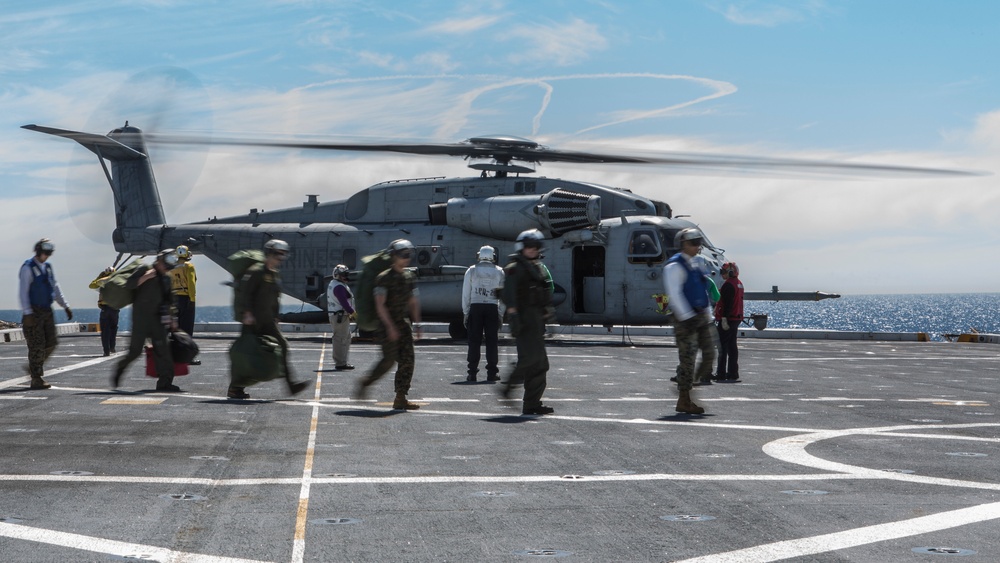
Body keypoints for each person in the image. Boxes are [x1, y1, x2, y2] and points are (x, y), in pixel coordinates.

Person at [228, 239, 310, 400]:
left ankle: (291, 384)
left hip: (268, 321)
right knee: (248, 352)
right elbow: (246, 293)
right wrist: (247, 313)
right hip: (253, 321)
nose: (281, 258)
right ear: (270, 253)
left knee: (283, 346)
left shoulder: (273, 273)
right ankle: (235, 387)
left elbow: (274, 297)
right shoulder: (256, 271)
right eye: (279, 254)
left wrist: (276, 315)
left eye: (283, 254)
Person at [354, 239, 423, 410]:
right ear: (393, 256)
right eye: (402, 255)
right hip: (386, 325)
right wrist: (390, 326)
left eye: (409, 255)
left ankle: (400, 397)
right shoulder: (383, 278)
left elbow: (413, 302)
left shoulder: (409, 277)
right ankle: (366, 382)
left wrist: (418, 324)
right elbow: (380, 304)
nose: (406, 258)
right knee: (388, 361)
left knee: (408, 360)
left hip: (403, 323)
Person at [664, 228, 718, 414]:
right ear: (683, 244)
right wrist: (688, 318)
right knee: (688, 360)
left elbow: (701, 292)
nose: (697, 246)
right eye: (694, 243)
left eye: (698, 243)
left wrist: (708, 315)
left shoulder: (695, 265)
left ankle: (686, 386)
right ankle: (684, 398)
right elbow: (675, 295)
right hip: (685, 320)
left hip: (701, 316)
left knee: (710, 355)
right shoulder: (673, 266)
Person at [500, 229, 555, 415]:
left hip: (536, 320)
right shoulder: (515, 268)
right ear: (522, 247)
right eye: (529, 246)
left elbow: (543, 293)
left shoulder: (537, 267)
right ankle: (508, 387)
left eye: (536, 247)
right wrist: (514, 319)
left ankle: (532, 404)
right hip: (523, 321)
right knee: (529, 359)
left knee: (541, 364)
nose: (532, 250)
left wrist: (548, 315)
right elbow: (510, 296)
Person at [111, 249, 181, 392]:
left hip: (157, 320)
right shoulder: (144, 269)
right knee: (135, 352)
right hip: (141, 319)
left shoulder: (167, 278)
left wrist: (172, 319)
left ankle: (165, 383)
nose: (166, 269)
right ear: (159, 261)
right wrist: (145, 277)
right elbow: (129, 284)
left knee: (164, 351)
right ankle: (120, 368)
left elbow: (169, 301)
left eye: (168, 267)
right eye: (165, 265)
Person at [19, 239, 72, 390]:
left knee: (51, 343)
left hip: (47, 311)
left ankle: (33, 368)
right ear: (38, 250)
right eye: (45, 250)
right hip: (34, 312)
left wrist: (65, 305)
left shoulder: (47, 268)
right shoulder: (28, 267)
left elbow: (55, 287)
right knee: (37, 345)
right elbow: (23, 292)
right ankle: (36, 378)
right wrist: (28, 313)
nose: (47, 254)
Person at [462, 246, 505, 382]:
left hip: (475, 307)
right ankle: (492, 373)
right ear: (493, 256)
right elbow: (502, 296)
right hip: (492, 308)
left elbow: (466, 294)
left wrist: (466, 312)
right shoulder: (499, 272)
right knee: (492, 341)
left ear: (479, 255)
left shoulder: (471, 270)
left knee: (474, 341)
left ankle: (472, 373)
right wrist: (500, 314)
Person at [714, 261, 744, 382]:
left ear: (731, 272)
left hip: (728, 319)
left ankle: (721, 373)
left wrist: (724, 319)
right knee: (732, 346)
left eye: (723, 272)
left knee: (722, 347)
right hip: (736, 318)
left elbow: (727, 304)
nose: (722, 274)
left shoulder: (728, 285)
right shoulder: (739, 284)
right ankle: (733, 372)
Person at [170, 245, 199, 364]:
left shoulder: (172, 267)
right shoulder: (189, 266)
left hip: (174, 299)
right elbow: (191, 284)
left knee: (176, 328)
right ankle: (187, 357)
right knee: (187, 329)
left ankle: (174, 355)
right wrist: (192, 299)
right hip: (186, 298)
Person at [327, 264, 356, 370]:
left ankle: (342, 361)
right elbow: (343, 301)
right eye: (343, 275)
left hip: (340, 315)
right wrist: (352, 312)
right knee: (340, 338)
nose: (345, 277)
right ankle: (340, 363)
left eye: (346, 274)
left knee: (346, 337)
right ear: (337, 275)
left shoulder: (336, 284)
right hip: (339, 316)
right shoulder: (338, 286)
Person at [88, 267, 120, 356]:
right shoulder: (117, 280)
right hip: (114, 309)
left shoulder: (102, 282)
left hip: (105, 309)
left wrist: (99, 276)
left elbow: (92, 285)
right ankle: (112, 347)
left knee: (105, 331)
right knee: (113, 329)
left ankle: (106, 351)